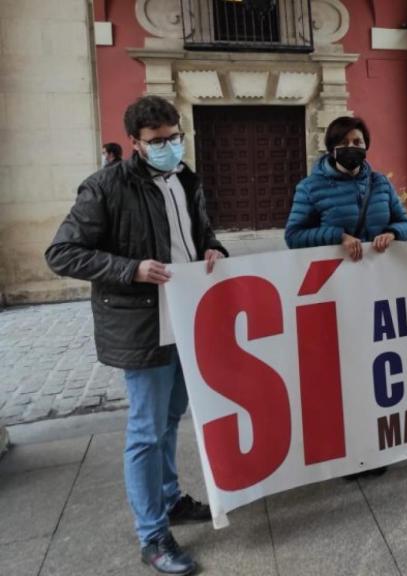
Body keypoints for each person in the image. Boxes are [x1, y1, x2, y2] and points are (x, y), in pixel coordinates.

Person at [46, 95, 224, 575]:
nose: (170, 146)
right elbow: (62, 253)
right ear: (135, 143)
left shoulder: (186, 178)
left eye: (175, 137)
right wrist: (132, 269)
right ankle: (152, 536)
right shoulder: (105, 187)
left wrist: (214, 249)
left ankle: (169, 499)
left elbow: (200, 235)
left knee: (171, 418)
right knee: (146, 430)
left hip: (187, 317)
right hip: (143, 324)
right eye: (158, 140)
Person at [285, 116, 407, 259]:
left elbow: (404, 223)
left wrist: (392, 233)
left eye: (357, 142)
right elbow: (293, 236)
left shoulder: (381, 183)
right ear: (332, 149)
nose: (351, 147)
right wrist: (339, 236)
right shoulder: (309, 187)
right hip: (336, 269)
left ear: (365, 146)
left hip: (379, 267)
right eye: (344, 143)